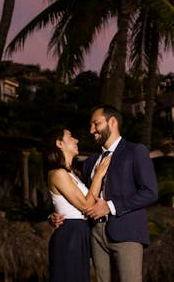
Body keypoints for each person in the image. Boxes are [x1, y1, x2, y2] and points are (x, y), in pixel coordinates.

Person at [52, 105, 158, 282]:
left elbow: (150, 192)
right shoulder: (90, 162)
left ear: (112, 122)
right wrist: (55, 214)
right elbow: (78, 196)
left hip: (126, 231)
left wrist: (110, 207)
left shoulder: (135, 151)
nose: (91, 130)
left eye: (96, 124)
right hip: (94, 234)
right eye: (91, 125)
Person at [43, 127, 111, 282]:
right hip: (70, 234)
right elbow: (86, 205)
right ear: (59, 143)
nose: (77, 140)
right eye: (71, 136)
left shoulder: (72, 174)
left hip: (80, 232)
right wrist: (98, 175)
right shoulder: (57, 173)